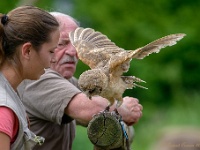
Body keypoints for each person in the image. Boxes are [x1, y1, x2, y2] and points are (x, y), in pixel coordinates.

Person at [17, 12, 143, 150]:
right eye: (62, 43)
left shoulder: (70, 81)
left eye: (75, 46)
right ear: (42, 46)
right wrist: (124, 107)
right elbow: (91, 109)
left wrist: (120, 124)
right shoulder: (35, 78)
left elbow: (103, 116)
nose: (73, 52)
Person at [0, 5, 60, 150]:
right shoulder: (4, 111)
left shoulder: (10, 91)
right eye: (51, 51)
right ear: (27, 51)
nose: (54, 59)